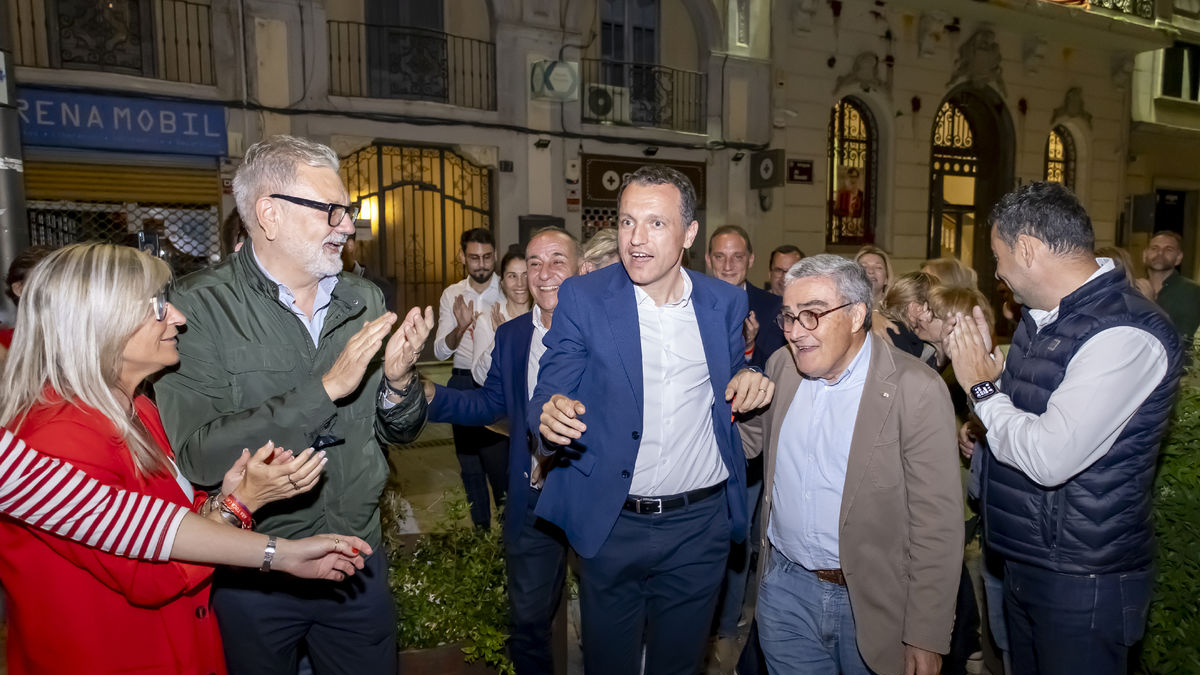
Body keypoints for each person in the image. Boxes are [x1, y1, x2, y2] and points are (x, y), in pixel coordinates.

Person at [154, 135, 431, 675]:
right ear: (270, 214)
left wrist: (398, 385)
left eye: (346, 211)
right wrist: (324, 390)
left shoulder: (363, 298)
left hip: (357, 562)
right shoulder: (198, 307)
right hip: (255, 572)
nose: (347, 226)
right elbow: (198, 456)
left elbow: (397, 434)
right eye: (331, 211)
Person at [0, 243, 332, 675]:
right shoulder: (60, 435)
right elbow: (152, 573)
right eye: (157, 305)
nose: (178, 316)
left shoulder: (135, 407)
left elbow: (157, 518)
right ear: (102, 322)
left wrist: (224, 499)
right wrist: (242, 506)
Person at [531, 165, 774, 675]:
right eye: (626, 223)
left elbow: (727, 376)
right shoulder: (585, 297)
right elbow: (551, 386)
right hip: (613, 520)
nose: (636, 240)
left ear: (689, 234)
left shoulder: (724, 302)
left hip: (699, 526)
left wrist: (749, 375)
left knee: (679, 666)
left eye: (655, 224)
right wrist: (548, 414)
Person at [947, 181, 1183, 675]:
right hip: (1026, 559)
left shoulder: (1125, 332)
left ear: (1028, 249)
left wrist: (982, 392)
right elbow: (1026, 415)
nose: (999, 273)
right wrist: (985, 416)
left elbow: (1051, 456)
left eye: (998, 257)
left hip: (1083, 579)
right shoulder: (1044, 319)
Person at [739, 253, 962, 675]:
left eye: (813, 315)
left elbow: (937, 525)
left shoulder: (914, 389)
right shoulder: (782, 367)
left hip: (874, 602)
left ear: (858, 314)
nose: (796, 332)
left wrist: (925, 633)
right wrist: (735, 385)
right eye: (788, 316)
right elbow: (741, 445)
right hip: (786, 592)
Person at [426, 227, 581, 675]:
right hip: (533, 498)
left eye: (557, 261)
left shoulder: (606, 332)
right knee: (527, 621)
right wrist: (428, 395)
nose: (544, 273)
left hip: (593, 495)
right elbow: (490, 403)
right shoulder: (513, 336)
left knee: (606, 618)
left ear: (580, 269)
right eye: (534, 263)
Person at [703, 224, 786, 673]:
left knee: (744, 535)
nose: (729, 264)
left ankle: (731, 623)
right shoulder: (689, 301)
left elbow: (778, 377)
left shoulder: (773, 307)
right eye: (720, 256)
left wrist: (750, 347)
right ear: (709, 259)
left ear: (750, 259)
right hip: (697, 442)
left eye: (737, 256)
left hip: (750, 441)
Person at [433, 227, 508, 528]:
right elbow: (439, 351)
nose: (482, 264)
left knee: (500, 466)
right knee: (470, 466)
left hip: (496, 382)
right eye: (474, 257)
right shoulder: (452, 294)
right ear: (462, 256)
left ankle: (507, 539)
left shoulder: (509, 289)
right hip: (463, 381)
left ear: (495, 256)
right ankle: (480, 536)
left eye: (487, 257)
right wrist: (460, 329)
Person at [472, 246, 532, 385]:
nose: (520, 283)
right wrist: (500, 338)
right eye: (512, 276)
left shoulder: (542, 318)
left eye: (525, 274)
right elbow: (479, 377)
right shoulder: (487, 320)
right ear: (502, 282)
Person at [1141, 230, 1200, 352]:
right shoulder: (1133, 287)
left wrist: (1150, 303)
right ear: (1145, 255)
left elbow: (1183, 339)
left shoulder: (1191, 291)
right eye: (1154, 248)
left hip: (1173, 366)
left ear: (1179, 258)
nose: (1160, 253)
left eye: (1168, 249)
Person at [1, 245, 53, 354]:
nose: (53, 288)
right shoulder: (4, 343)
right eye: (42, 280)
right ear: (19, 289)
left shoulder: (84, 337)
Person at [877, 271, 938, 361]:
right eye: (934, 306)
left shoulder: (889, 330)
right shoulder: (900, 339)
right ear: (916, 308)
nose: (937, 313)